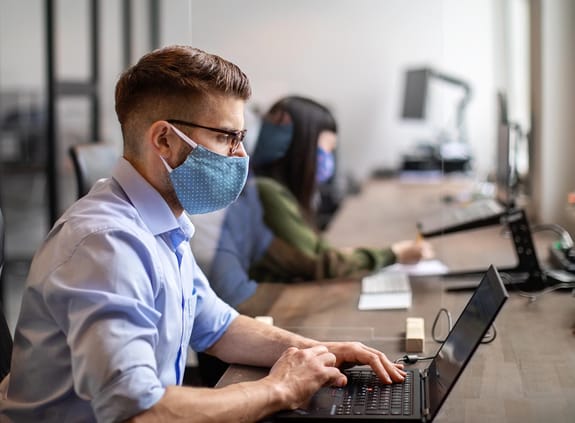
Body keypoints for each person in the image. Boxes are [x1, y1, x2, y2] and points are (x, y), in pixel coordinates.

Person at [0, 46, 406, 422]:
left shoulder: (163, 223)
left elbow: (218, 326)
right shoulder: (106, 245)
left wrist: (318, 352)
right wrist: (280, 388)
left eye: (241, 138)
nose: (241, 156)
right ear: (164, 140)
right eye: (226, 137)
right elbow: (137, 412)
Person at [190, 96, 432, 310]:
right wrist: (395, 253)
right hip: (254, 323)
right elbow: (320, 263)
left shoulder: (267, 187)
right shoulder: (265, 192)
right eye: (327, 149)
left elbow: (315, 252)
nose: (329, 159)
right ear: (302, 148)